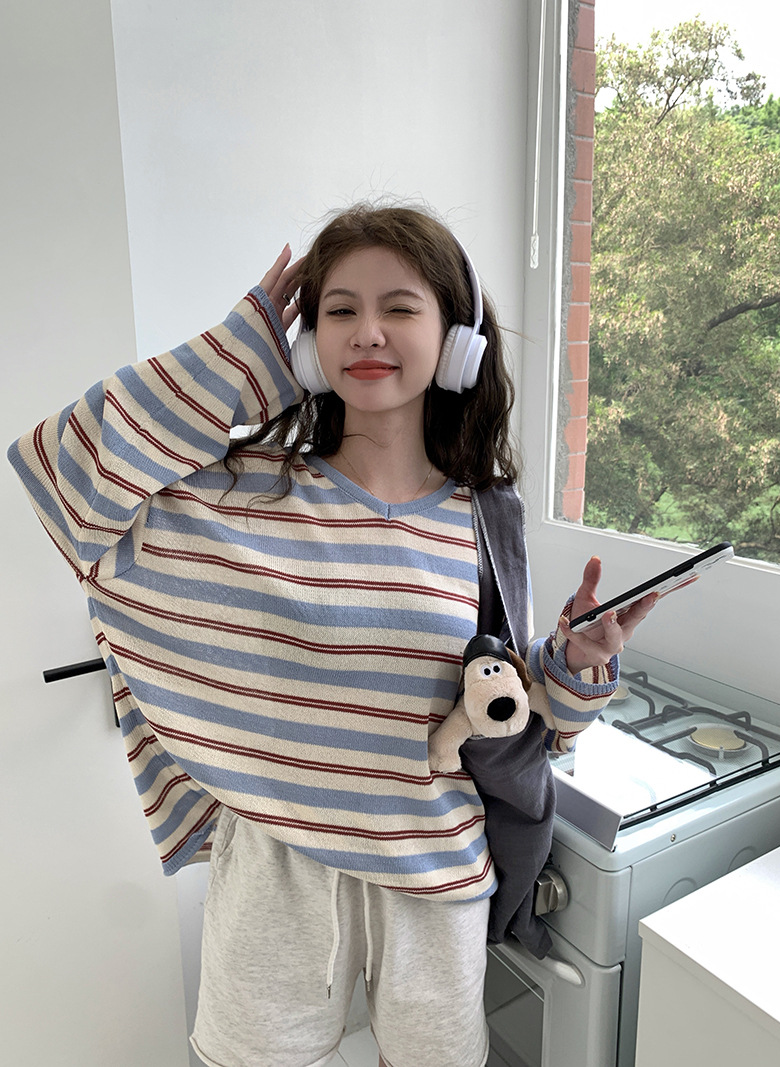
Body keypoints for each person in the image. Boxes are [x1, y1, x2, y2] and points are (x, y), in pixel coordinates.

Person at [8, 202, 656, 1067]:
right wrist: (236, 360)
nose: (367, 331)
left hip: (434, 869)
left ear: (455, 340)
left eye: (399, 306)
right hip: (277, 867)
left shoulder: (485, 515)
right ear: (306, 345)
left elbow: (513, 709)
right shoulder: (237, 493)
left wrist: (575, 665)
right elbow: (61, 466)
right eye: (339, 309)